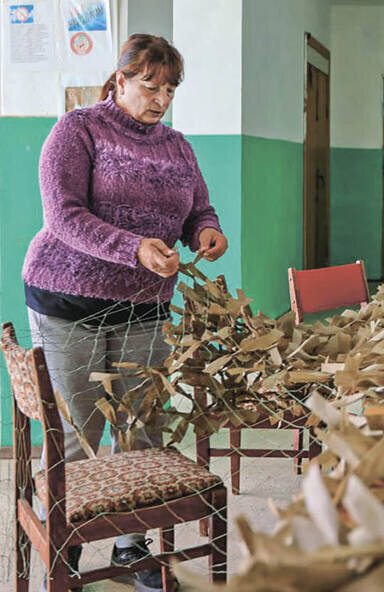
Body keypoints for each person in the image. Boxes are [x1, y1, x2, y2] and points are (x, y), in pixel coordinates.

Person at [22, 34, 228, 591]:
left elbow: (198, 206)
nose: (159, 98)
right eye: (148, 84)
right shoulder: (78, 130)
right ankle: (67, 545)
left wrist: (205, 230)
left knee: (142, 423)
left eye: (169, 88)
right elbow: (63, 215)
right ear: (119, 80)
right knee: (78, 430)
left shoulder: (178, 146)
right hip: (69, 299)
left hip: (144, 305)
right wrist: (134, 246)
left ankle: (132, 546)